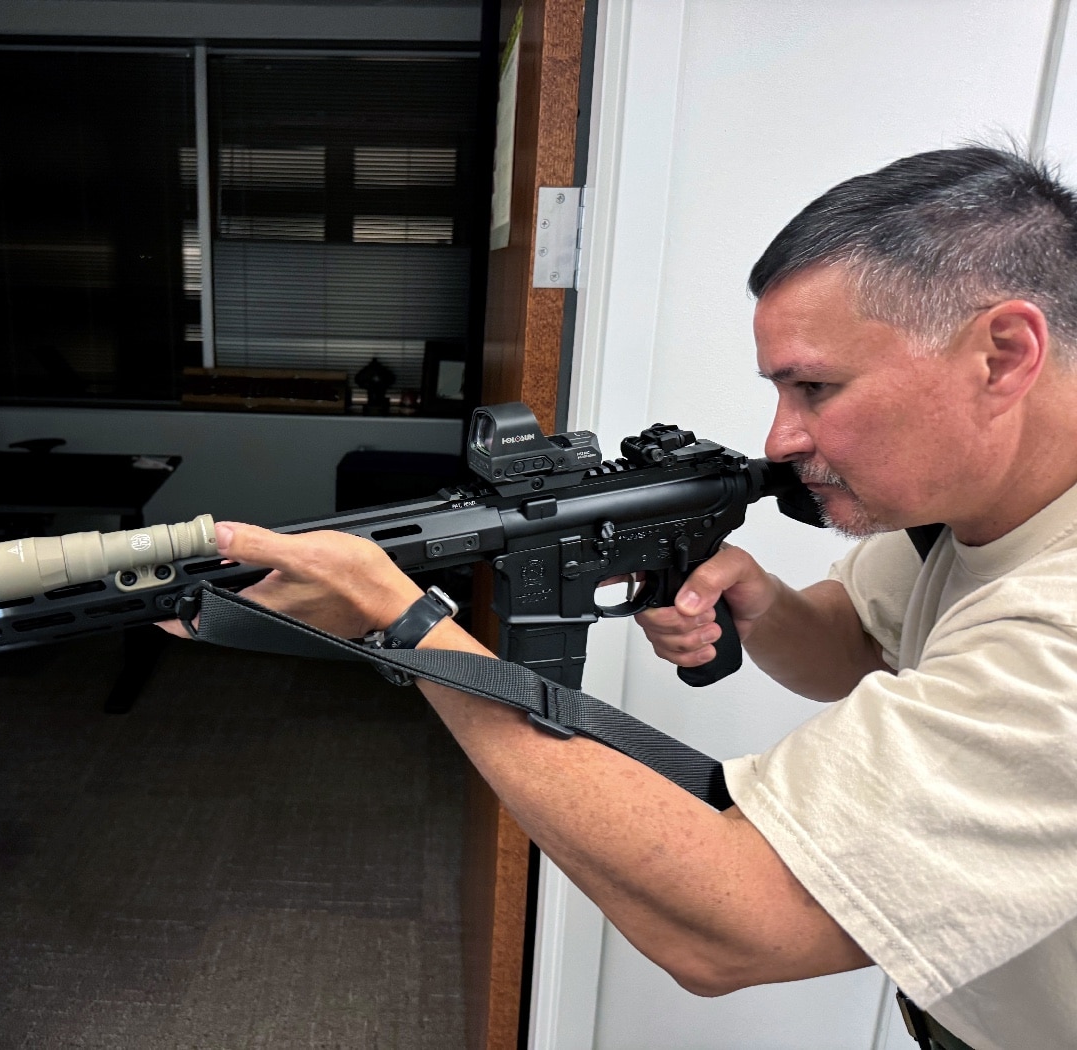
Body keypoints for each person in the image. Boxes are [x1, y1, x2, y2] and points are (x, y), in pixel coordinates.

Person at [165, 146, 1077, 1050]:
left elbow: (730, 928)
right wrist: (762, 600)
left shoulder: (1059, 628)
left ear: (1004, 354)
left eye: (816, 387)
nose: (781, 435)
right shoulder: (973, 506)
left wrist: (406, 626)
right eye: (778, 389)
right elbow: (859, 647)